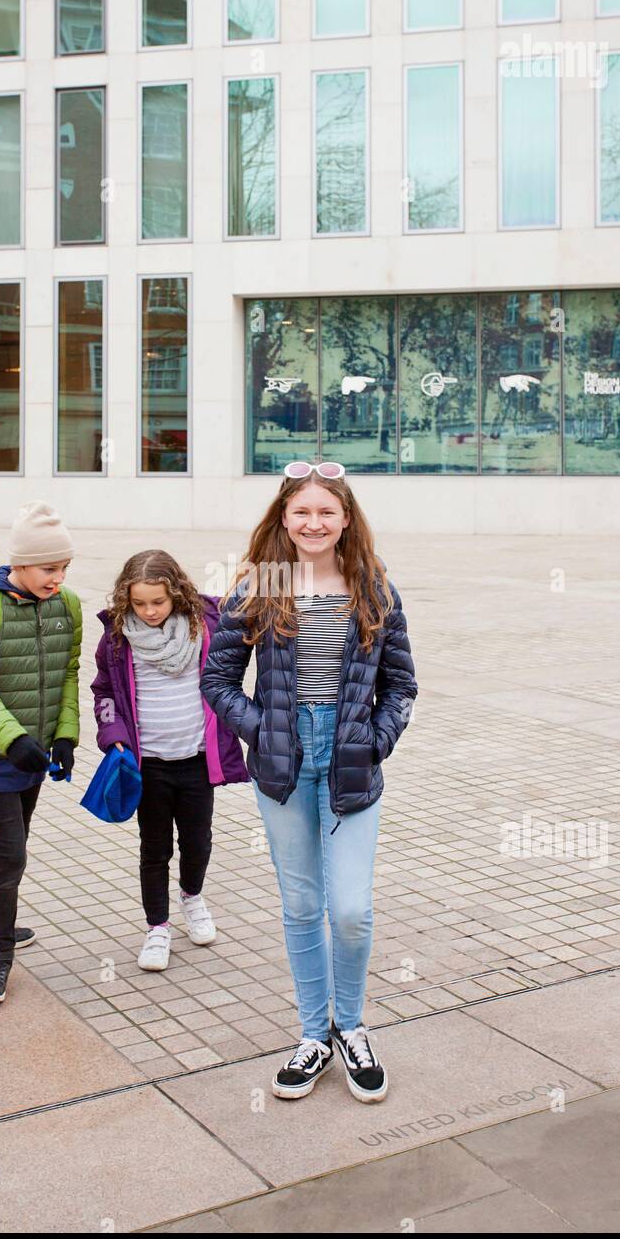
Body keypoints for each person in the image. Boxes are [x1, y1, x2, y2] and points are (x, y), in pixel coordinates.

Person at [200, 462, 417, 1103]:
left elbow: (401, 684)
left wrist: (375, 741)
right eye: (302, 512)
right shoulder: (262, 585)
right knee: (301, 906)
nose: (314, 523)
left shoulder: (373, 587)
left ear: (346, 519)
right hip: (284, 763)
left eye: (327, 512)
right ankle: (313, 1035)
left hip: (351, 761)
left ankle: (351, 1026)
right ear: (284, 519)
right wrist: (262, 727)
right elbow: (217, 678)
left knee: (349, 910)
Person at [90, 550, 249, 972]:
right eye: (139, 604)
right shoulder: (117, 638)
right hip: (150, 765)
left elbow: (242, 612)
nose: (149, 611)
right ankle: (157, 927)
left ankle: (192, 897)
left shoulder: (205, 625)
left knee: (198, 841)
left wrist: (251, 575)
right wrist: (114, 738)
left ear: (176, 594)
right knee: (154, 848)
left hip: (197, 761)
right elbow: (104, 693)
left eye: (157, 602)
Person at [0, 502, 82, 1004]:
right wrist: (13, 739)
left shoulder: (65, 605)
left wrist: (65, 735)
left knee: (7, 841)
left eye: (64, 567)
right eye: (50, 568)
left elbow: (68, 674)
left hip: (35, 752)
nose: (59, 577)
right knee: (11, 854)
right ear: (20, 564)